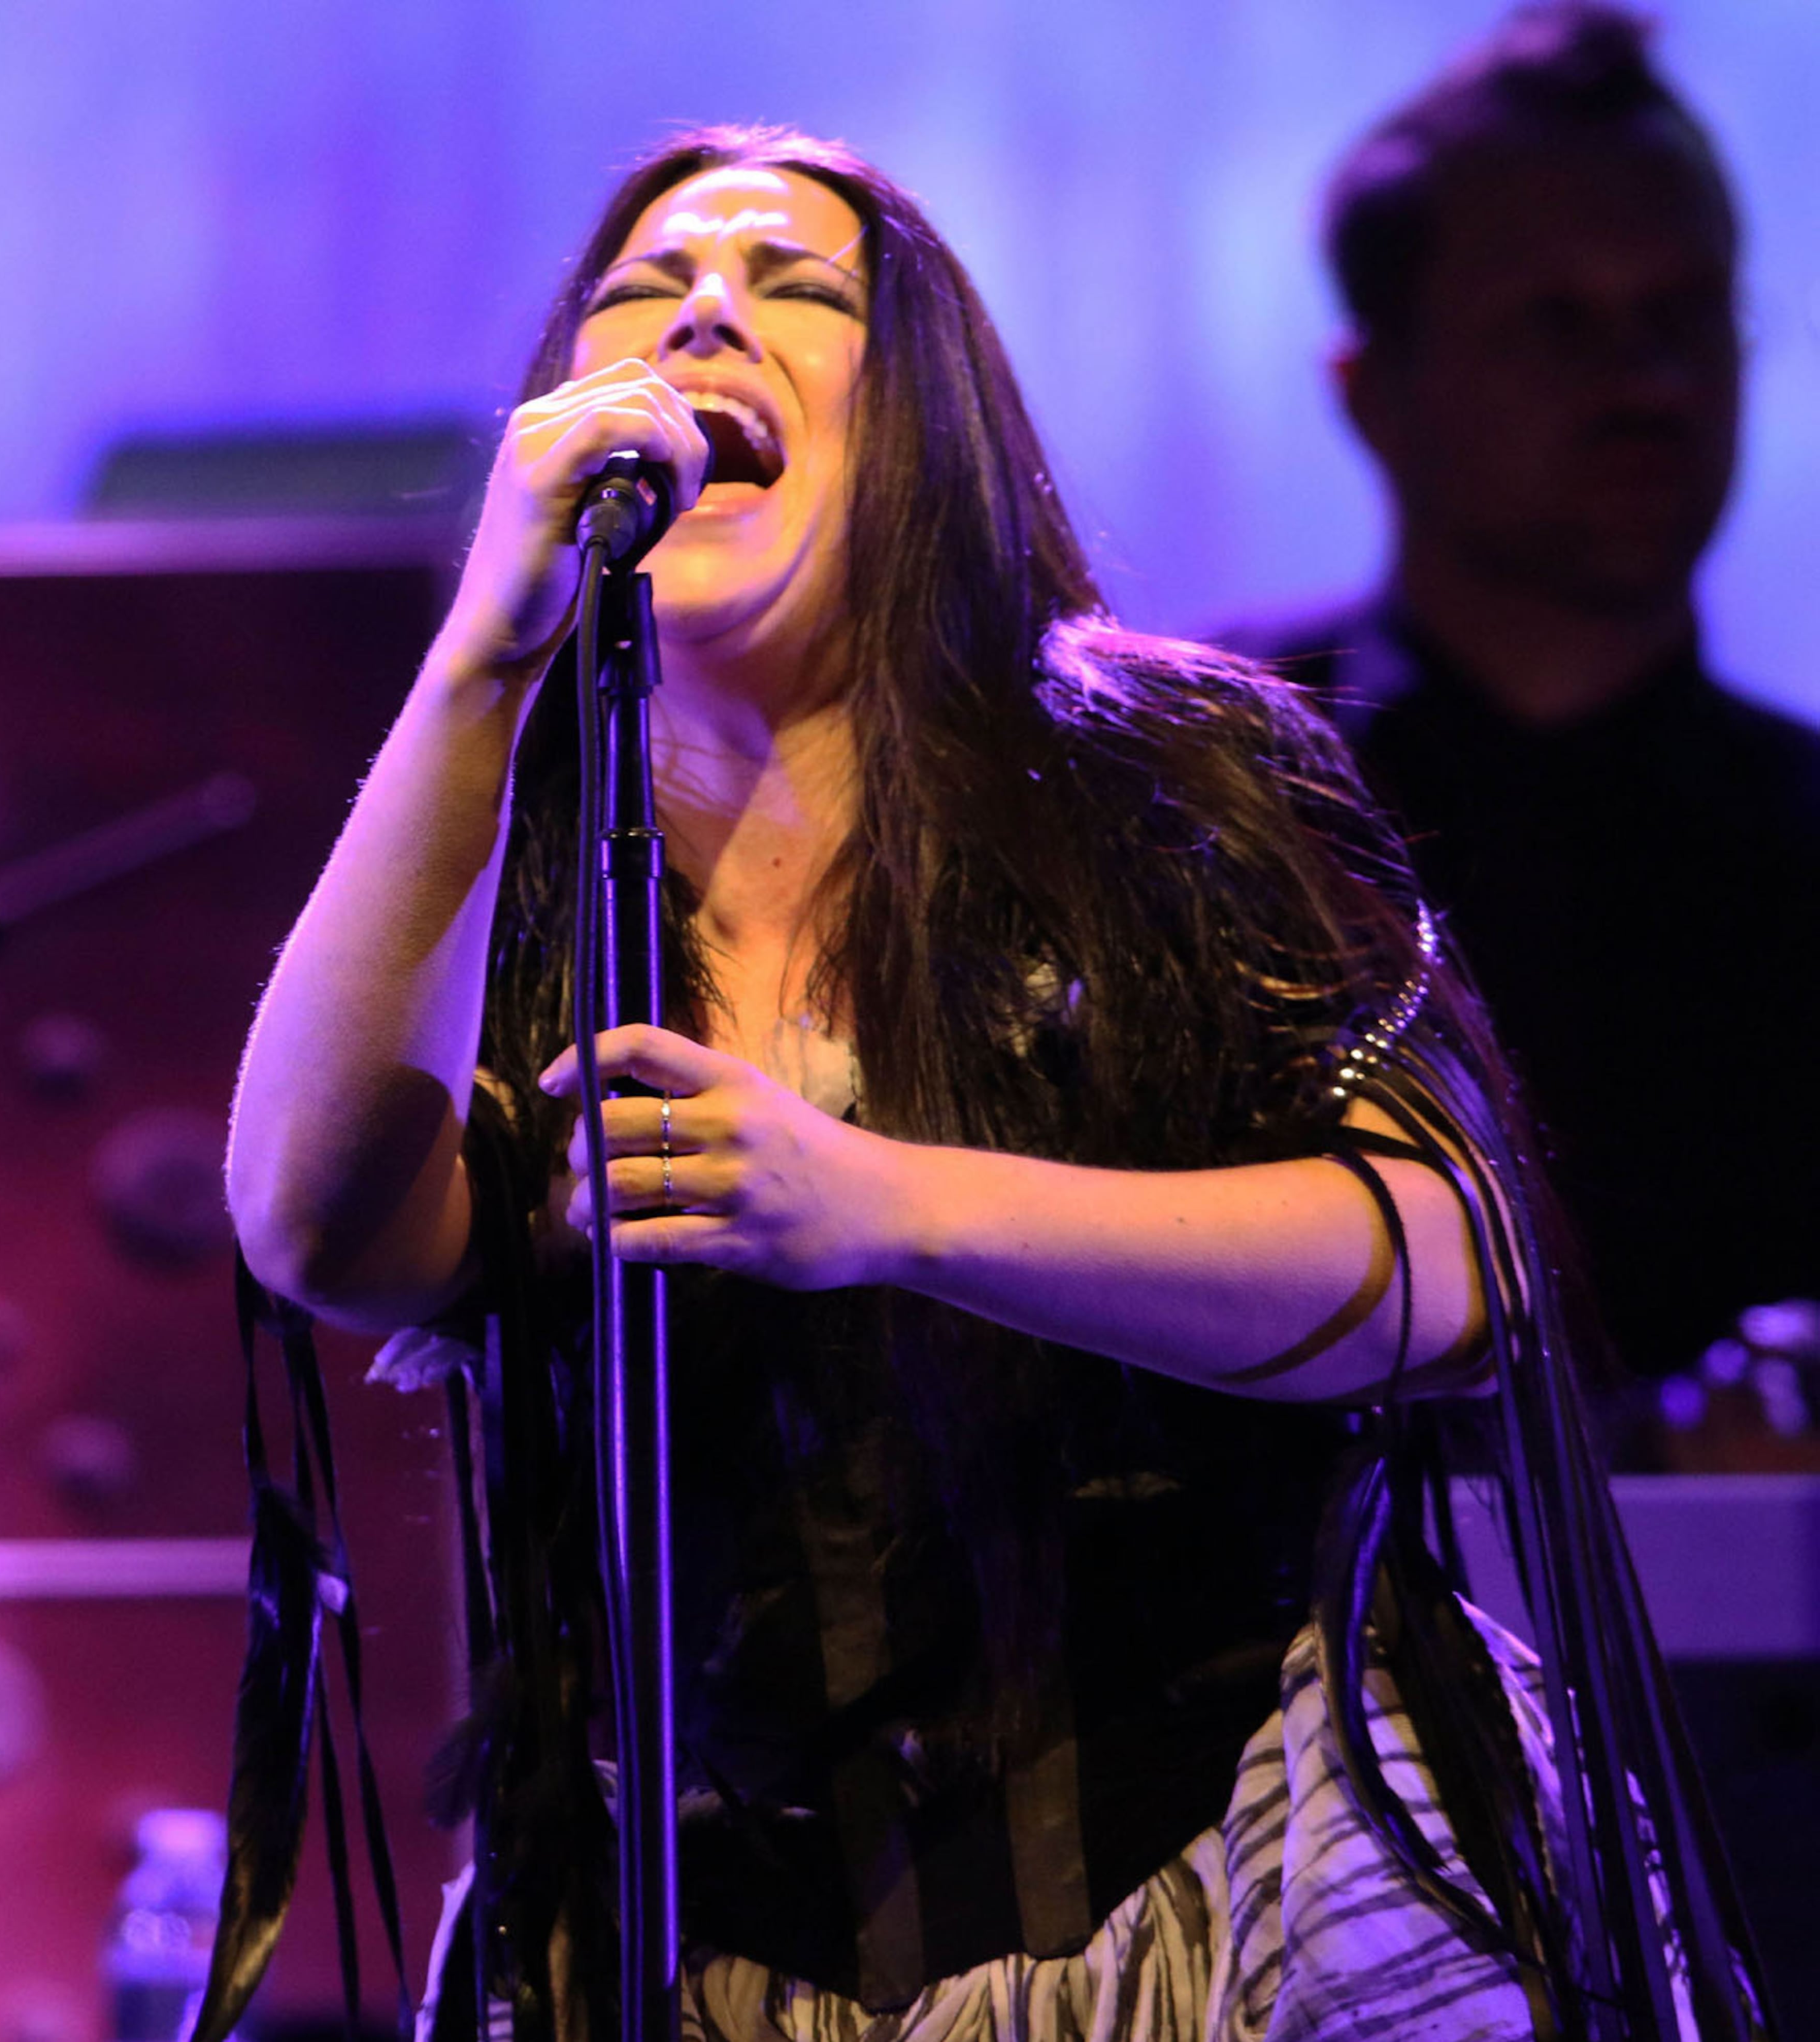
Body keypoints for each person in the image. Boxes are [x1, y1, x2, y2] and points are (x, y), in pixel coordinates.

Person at [216, 128, 1758, 2042]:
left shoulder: (1169, 784)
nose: (704, 307)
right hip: (711, 1961)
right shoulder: (500, 874)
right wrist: (478, 655)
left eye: (796, 285)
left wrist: (879, 1203)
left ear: (928, 421)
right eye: (642, 288)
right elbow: (317, 1225)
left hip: (1240, 1897)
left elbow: (1456, 1263)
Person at [1222, 1, 1820, 1388]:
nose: (1648, 382)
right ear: (1373, 392)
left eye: (1685, 316)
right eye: (1558, 323)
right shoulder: (1196, 791)